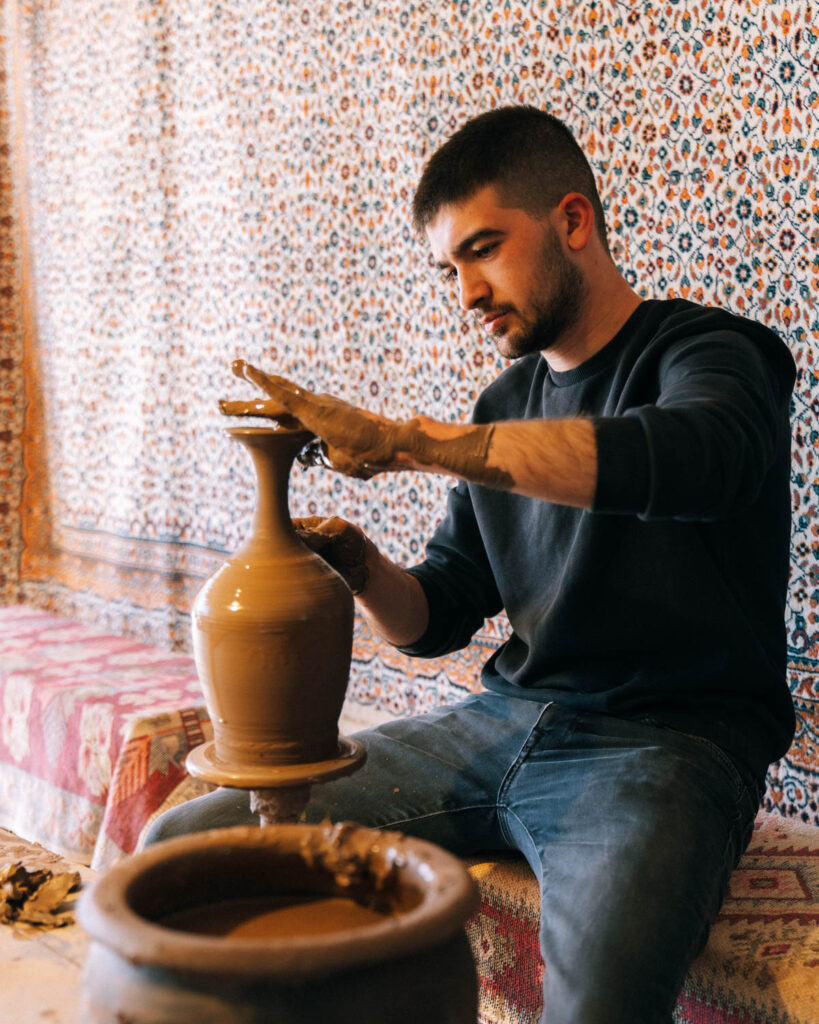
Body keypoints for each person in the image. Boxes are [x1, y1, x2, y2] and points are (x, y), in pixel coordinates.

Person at [146, 105, 796, 1023]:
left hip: (666, 744)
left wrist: (414, 441)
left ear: (572, 220)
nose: (466, 294)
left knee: (598, 1006)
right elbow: (438, 616)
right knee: (185, 844)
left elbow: (697, 457)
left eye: (484, 249)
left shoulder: (712, 353)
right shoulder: (503, 401)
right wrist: (359, 565)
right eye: (449, 267)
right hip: (501, 724)